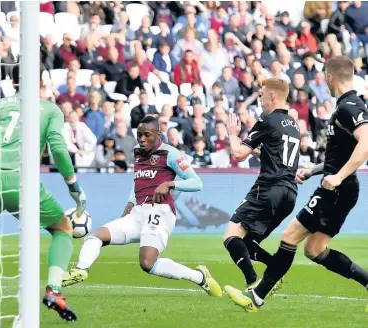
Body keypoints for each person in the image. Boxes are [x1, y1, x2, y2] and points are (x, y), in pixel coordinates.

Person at [224, 56, 368, 312]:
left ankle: (256, 297)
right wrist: (314, 170)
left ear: (330, 78)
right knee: (315, 250)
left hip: (337, 188)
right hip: (340, 187)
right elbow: (343, 154)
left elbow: (366, 143)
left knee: (290, 235)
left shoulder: (350, 106)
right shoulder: (343, 107)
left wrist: (338, 176)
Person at [0, 64, 87, 322]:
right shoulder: (49, 109)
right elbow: (57, 148)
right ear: (41, 79)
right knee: (63, 229)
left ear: (12, 83)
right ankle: (54, 290)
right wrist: (73, 185)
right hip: (21, 181)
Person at [62, 115, 221, 297]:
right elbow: (138, 180)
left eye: (147, 135)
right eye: (139, 135)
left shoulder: (170, 154)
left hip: (160, 212)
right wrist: (130, 204)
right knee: (95, 236)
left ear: (158, 134)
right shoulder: (138, 151)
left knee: (147, 263)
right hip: (138, 213)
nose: (142, 139)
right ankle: (81, 270)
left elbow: (197, 182)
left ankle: (199, 277)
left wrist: (170, 184)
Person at [212, 77, 300, 291]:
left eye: (261, 96)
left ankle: (253, 281)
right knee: (247, 242)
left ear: (272, 96)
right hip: (289, 195)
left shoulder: (267, 121)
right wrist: (252, 145)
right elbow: (272, 154)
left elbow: (239, 154)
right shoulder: (293, 126)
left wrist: (233, 135)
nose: (260, 100)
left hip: (268, 189)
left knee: (231, 236)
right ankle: (274, 272)